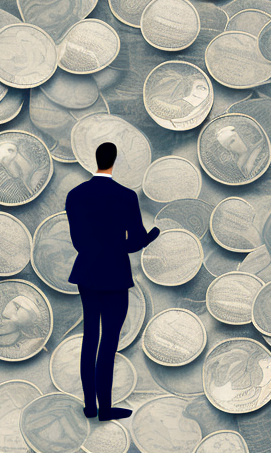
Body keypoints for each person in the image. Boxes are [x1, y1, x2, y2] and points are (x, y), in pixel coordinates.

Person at [65, 142, 160, 421]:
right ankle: (105, 409)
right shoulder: (126, 196)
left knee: (90, 337)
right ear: (114, 161)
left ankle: (89, 406)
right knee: (109, 342)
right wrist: (152, 234)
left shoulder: (75, 195)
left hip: (87, 273)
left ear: (95, 160)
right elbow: (135, 243)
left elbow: (78, 241)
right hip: (115, 276)